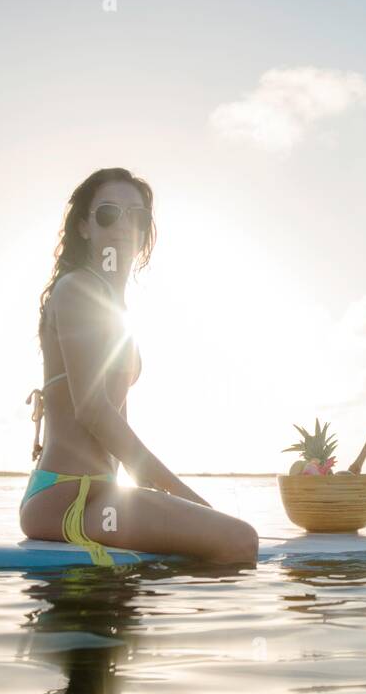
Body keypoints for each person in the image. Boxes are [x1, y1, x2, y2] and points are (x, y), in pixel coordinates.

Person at [20, 167, 258, 564]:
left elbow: (111, 416)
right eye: (108, 214)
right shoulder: (78, 289)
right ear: (84, 227)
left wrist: (153, 494)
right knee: (240, 541)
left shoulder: (113, 304)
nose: (124, 225)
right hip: (68, 497)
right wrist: (180, 494)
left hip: (100, 496)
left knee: (218, 539)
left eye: (138, 216)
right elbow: (92, 409)